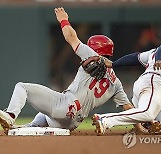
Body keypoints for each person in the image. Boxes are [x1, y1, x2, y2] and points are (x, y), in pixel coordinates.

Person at [0, 7, 135, 134]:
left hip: (66, 105)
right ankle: (29, 128)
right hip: (73, 123)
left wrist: (63, 20)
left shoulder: (91, 55)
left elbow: (71, 37)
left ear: (94, 48)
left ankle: (10, 116)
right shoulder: (116, 83)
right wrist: (145, 122)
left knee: (22, 87)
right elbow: (128, 108)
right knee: (45, 112)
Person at [92, 21, 161, 135]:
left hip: (152, 86)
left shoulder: (155, 51)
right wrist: (159, 59)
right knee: (147, 113)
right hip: (155, 83)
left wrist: (114, 64)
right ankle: (105, 119)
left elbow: (136, 58)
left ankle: (160, 128)